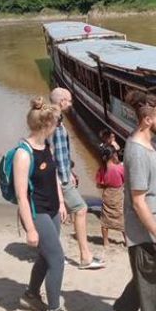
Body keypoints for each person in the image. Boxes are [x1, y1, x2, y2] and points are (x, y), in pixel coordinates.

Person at [107, 91, 156, 311]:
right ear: (147, 120)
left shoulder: (146, 143)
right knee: (153, 295)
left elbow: (147, 186)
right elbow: (138, 203)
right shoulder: (138, 152)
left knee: (145, 282)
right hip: (146, 236)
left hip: (151, 231)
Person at [14, 97, 76, 311]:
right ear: (46, 124)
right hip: (36, 212)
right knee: (57, 259)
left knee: (46, 256)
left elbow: (54, 178)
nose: (58, 127)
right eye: (57, 123)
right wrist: (30, 228)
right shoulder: (24, 153)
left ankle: (30, 295)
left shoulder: (45, 146)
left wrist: (61, 202)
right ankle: (53, 310)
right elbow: (22, 196)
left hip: (51, 208)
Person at [49, 87, 105, 269]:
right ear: (62, 101)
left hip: (63, 176)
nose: (71, 104)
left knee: (57, 215)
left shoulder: (55, 122)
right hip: (60, 179)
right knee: (80, 209)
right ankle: (85, 256)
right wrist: (61, 181)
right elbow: (53, 157)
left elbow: (61, 155)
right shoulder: (55, 126)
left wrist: (70, 171)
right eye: (70, 101)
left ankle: (55, 253)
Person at [96, 145, 127, 248]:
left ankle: (106, 242)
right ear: (114, 155)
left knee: (105, 220)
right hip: (118, 195)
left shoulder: (102, 169)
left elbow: (99, 184)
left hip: (107, 195)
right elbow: (125, 180)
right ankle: (127, 241)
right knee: (122, 219)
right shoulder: (119, 168)